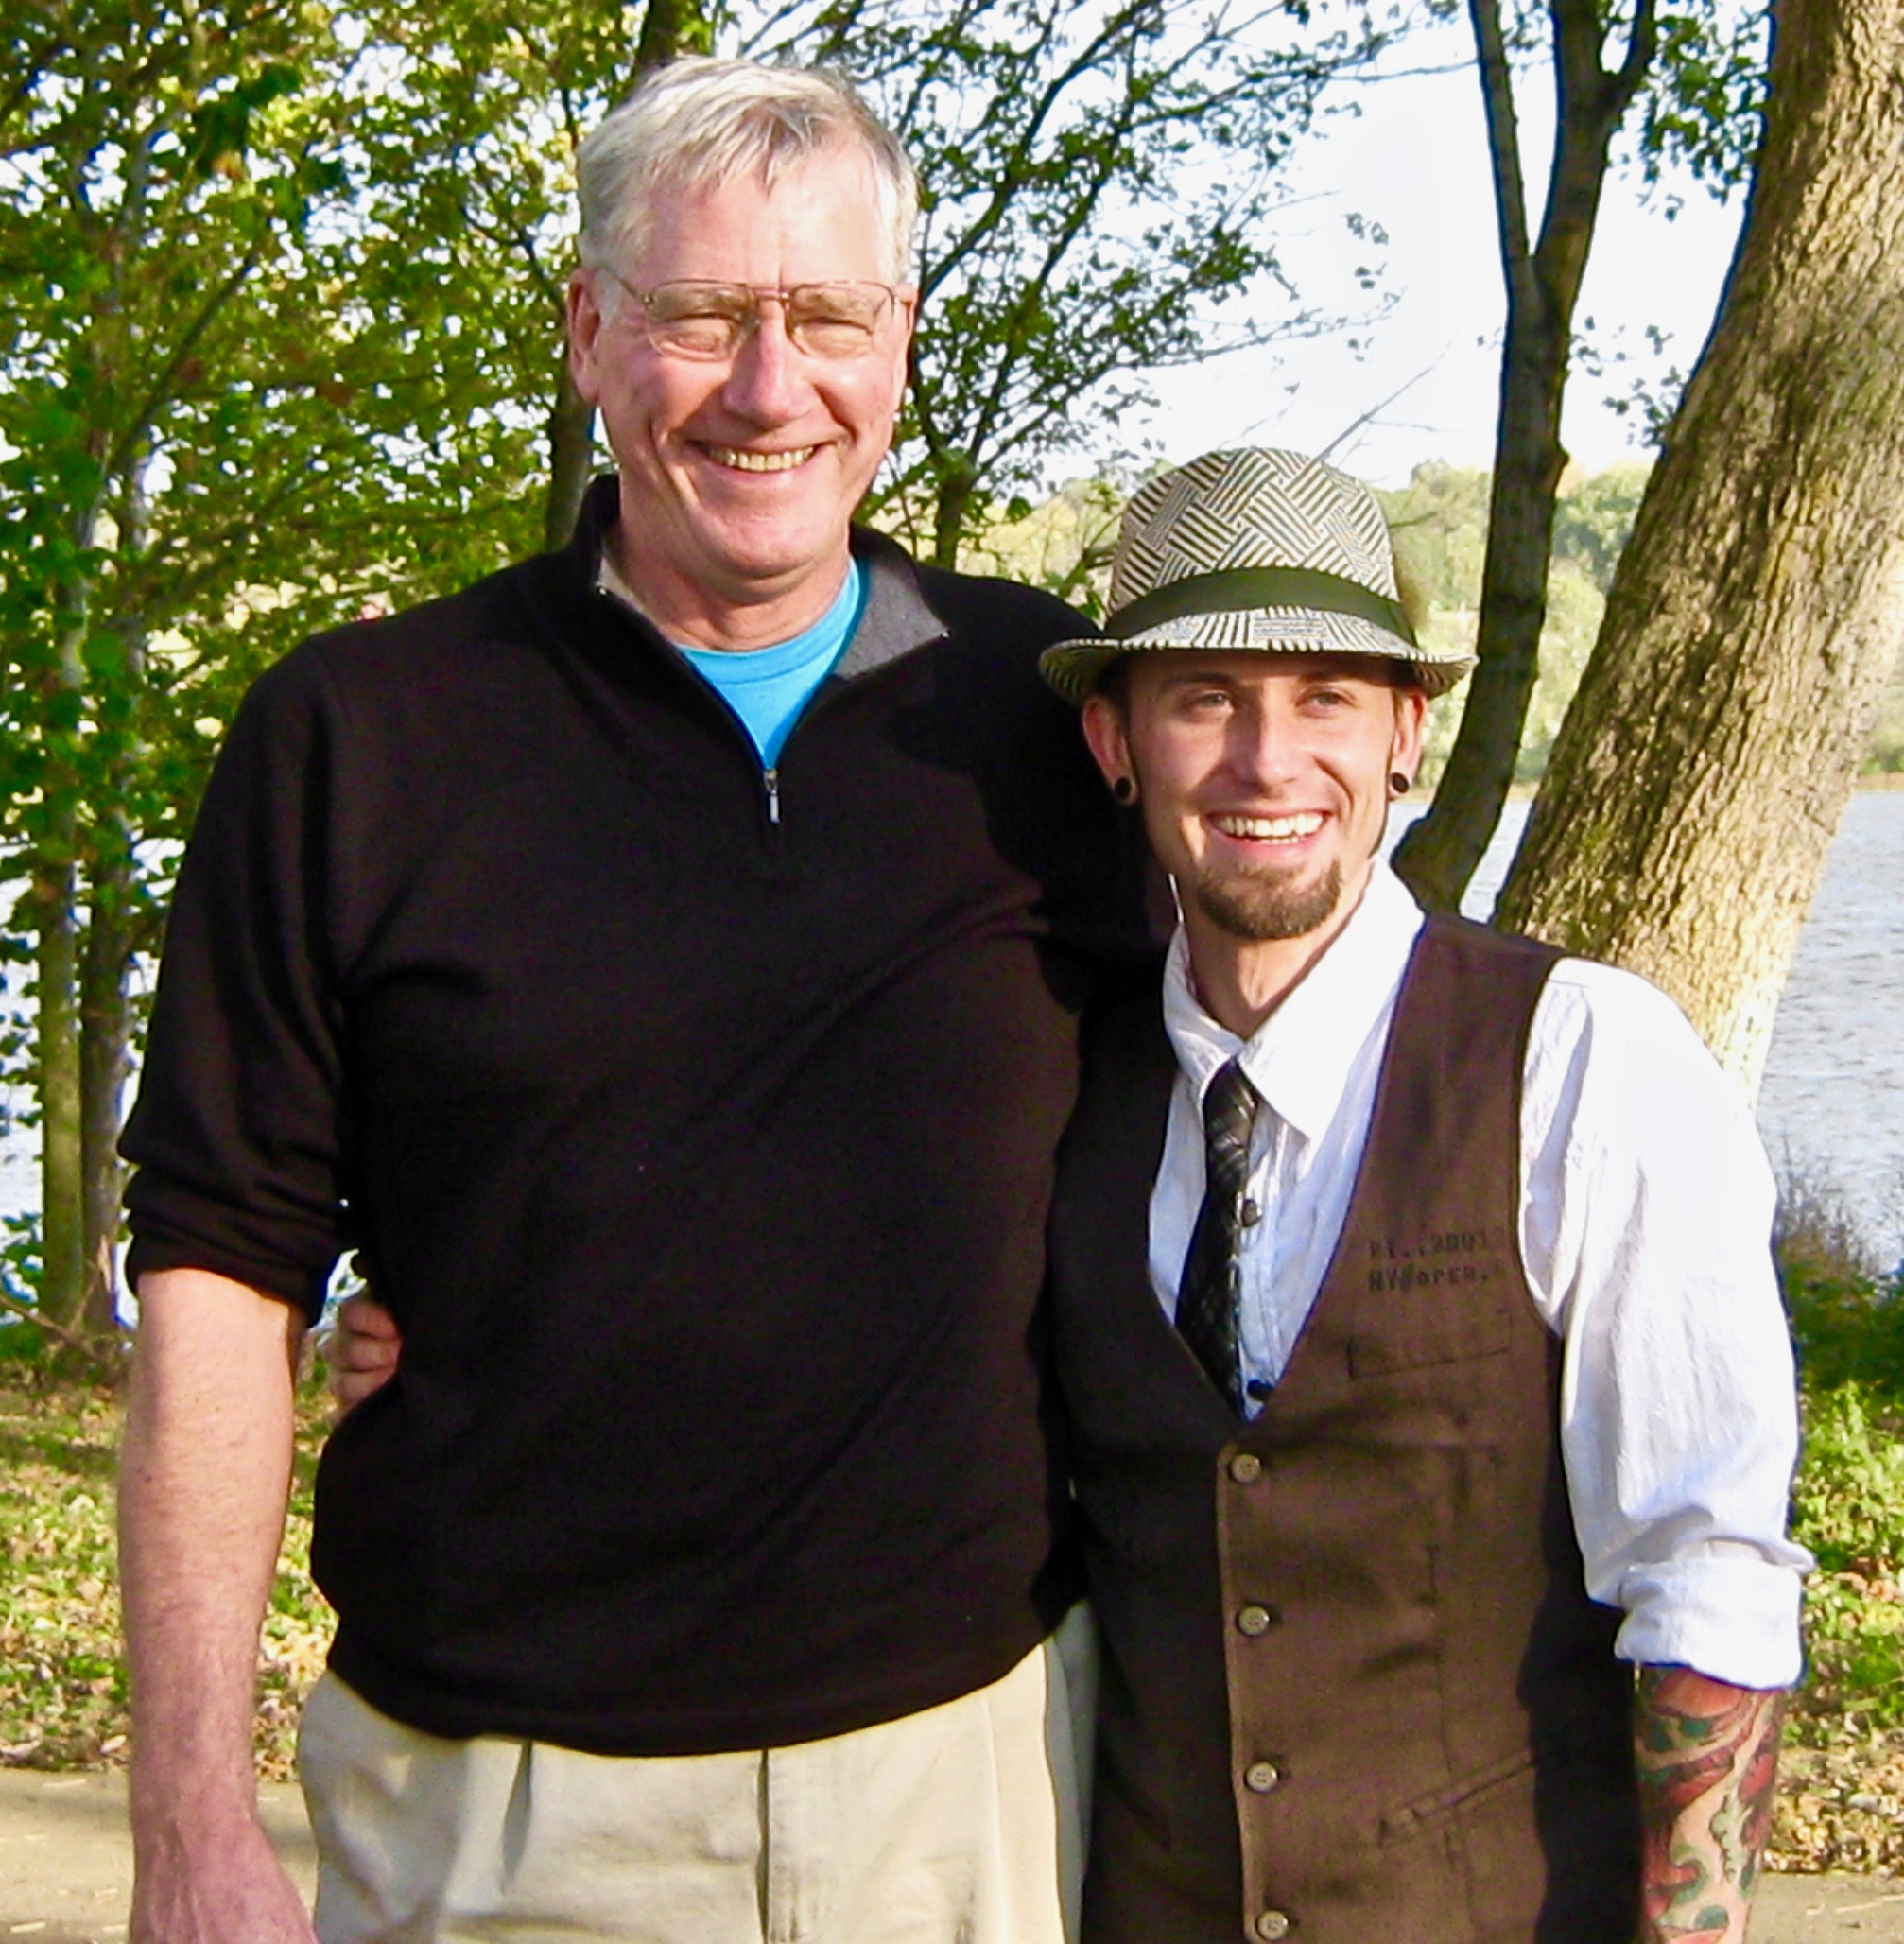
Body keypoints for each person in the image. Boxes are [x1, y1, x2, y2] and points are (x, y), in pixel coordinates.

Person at [116, 56, 1151, 1944]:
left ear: (899, 347)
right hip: (497, 1818)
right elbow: (213, 1269)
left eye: (825, 319)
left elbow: (1277, 1085)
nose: (769, 390)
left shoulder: (1040, 713)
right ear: (591, 330)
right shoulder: (360, 735)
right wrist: (187, 1814)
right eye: (699, 317)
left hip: (967, 1791)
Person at [1033, 446, 1808, 1943]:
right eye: (1206, 700)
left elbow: (1705, 1573)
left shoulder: (1584, 1060)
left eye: (1325, 697)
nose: (1269, 762)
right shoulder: (1067, 1083)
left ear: (1405, 733)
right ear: (1115, 741)